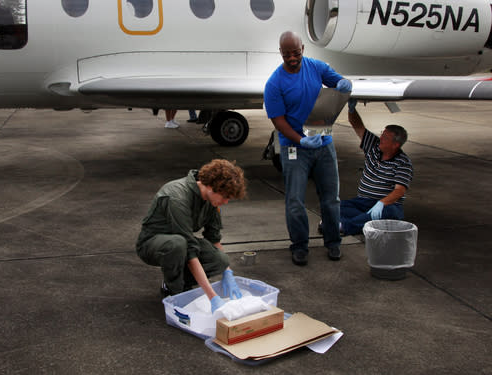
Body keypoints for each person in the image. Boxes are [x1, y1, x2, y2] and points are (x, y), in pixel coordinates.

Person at [263, 31, 352, 266]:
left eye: (296, 53)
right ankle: (300, 246)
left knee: (331, 198)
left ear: (303, 48)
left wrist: (344, 85)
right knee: (294, 201)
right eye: (287, 54)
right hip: (295, 148)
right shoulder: (274, 83)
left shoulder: (316, 67)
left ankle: (333, 242)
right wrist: (300, 140)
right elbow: (278, 121)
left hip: (324, 144)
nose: (292, 58)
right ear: (280, 53)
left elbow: (337, 82)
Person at [136, 159, 247, 313]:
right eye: (225, 196)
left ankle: (180, 280)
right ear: (211, 187)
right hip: (152, 244)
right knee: (178, 245)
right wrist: (212, 296)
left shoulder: (211, 201)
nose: (226, 201)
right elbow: (189, 249)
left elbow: (214, 238)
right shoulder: (177, 197)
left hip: (180, 242)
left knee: (220, 259)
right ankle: (174, 292)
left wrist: (227, 272)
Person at [339, 99, 413, 235]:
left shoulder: (403, 163)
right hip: (362, 202)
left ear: (395, 145)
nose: (381, 138)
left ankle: (345, 226)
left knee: (389, 213)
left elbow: (399, 191)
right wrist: (351, 110)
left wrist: (381, 203)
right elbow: (358, 126)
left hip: (386, 204)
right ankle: (362, 222)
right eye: (382, 134)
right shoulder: (374, 147)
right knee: (336, 206)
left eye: (385, 137)